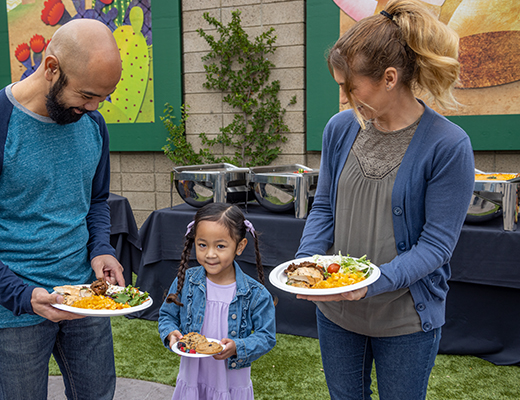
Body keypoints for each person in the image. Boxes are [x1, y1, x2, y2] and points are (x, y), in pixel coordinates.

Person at [295, 1, 475, 399]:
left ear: (390, 78)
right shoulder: (340, 129)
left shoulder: (448, 145)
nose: (343, 98)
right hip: (337, 313)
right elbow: (324, 206)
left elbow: (436, 246)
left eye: (350, 86)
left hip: (405, 320)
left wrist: (371, 282)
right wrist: (307, 262)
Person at [0, 19, 124, 400]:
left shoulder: (92, 124)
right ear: (51, 66)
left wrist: (101, 247)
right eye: (87, 94)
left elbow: (95, 201)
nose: (93, 107)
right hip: (14, 308)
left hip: (86, 297)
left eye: (102, 98)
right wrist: (24, 296)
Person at [158, 203, 276, 399]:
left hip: (231, 380)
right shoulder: (187, 281)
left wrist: (238, 346)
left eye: (220, 246)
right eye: (202, 245)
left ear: (239, 247)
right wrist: (171, 333)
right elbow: (167, 315)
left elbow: (267, 336)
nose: (210, 254)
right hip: (192, 376)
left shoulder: (255, 293)